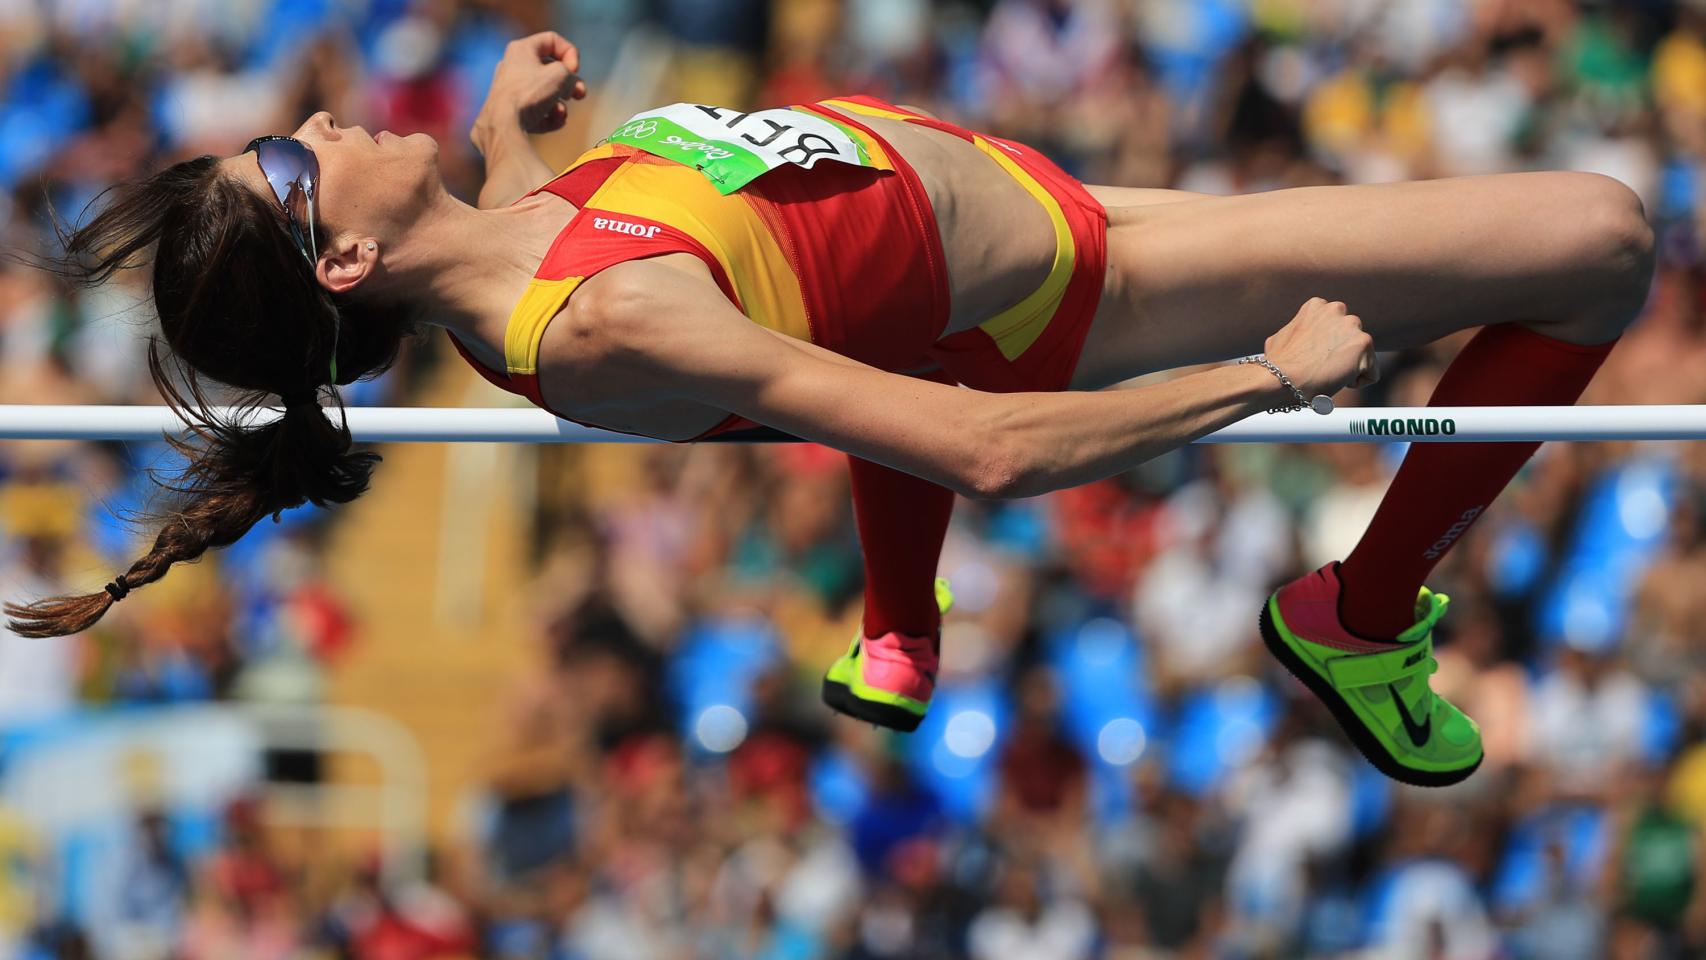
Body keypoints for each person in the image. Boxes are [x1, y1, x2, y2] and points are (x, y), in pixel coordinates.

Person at [6, 32, 1654, 788]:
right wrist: (1265, 376)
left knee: (1581, 239)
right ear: (346, 257)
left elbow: (544, 240)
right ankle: (1358, 617)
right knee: (1596, 241)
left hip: (1034, 194)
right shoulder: (604, 320)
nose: (313, 118)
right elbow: (980, 446)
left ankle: (903, 624)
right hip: (1087, 285)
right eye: (289, 160)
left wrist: (514, 129)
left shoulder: (510, 245)